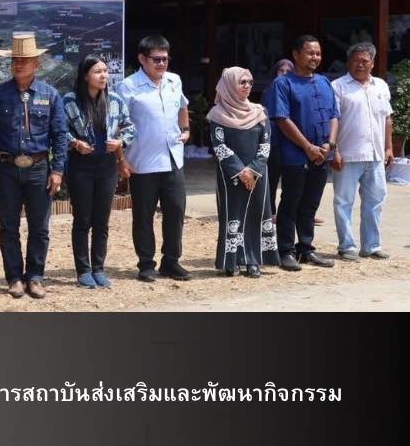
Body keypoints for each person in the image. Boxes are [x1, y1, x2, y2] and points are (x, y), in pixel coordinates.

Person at [0, 32, 67, 299]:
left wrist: (58, 169)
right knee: (9, 226)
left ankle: (36, 277)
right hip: (6, 167)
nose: (18, 64)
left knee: (40, 227)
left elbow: (59, 134)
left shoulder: (50, 95)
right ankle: (15, 277)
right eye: (15, 60)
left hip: (39, 168)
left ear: (37, 64)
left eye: (24, 60)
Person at [117, 35, 192, 282]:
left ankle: (171, 261)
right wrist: (121, 160)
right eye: (156, 59)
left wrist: (186, 129)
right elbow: (117, 123)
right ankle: (146, 264)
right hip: (142, 161)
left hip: (173, 158)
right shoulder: (128, 86)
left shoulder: (174, 80)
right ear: (142, 59)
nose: (162, 64)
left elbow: (182, 105)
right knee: (143, 215)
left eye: (165, 59)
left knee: (176, 211)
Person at [63, 55, 134, 289]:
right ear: (85, 76)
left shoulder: (114, 100)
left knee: (102, 220)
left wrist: (120, 142)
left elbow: (130, 127)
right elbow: (59, 129)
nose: (104, 75)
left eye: (105, 71)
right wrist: (75, 143)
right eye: (97, 71)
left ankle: (99, 268)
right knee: (82, 219)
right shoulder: (70, 100)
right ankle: (83, 270)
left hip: (106, 166)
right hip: (80, 166)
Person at [271, 34, 339, 271]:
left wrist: (330, 144)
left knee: (310, 204)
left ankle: (306, 249)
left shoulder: (324, 81)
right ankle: (285, 251)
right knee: (291, 202)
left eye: (318, 53)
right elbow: (282, 119)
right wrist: (307, 147)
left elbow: (334, 115)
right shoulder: (283, 84)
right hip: (294, 156)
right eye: (310, 53)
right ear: (296, 54)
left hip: (322, 155)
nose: (315, 57)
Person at [207, 67, 280, 277]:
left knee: (257, 213)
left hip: (258, 175)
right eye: (242, 82)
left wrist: (253, 170)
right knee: (233, 214)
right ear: (229, 85)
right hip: (230, 176)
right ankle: (232, 261)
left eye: (249, 82)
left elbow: (265, 144)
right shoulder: (218, 114)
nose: (247, 86)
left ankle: (253, 261)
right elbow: (219, 146)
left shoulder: (259, 112)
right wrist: (241, 171)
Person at [331, 42, 393, 261]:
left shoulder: (381, 86)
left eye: (365, 61)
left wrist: (388, 147)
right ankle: (347, 246)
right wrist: (334, 150)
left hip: (375, 155)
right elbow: (333, 120)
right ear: (349, 62)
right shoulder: (337, 86)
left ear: (373, 63)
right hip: (347, 155)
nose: (360, 64)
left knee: (375, 201)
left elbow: (387, 118)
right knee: (343, 202)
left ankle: (371, 246)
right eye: (356, 60)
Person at [260, 58, 294, 219]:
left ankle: (294, 212)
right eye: (281, 71)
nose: (284, 74)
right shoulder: (270, 89)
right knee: (272, 177)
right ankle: (270, 211)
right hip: (274, 140)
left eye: (288, 71)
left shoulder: (294, 89)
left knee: (293, 179)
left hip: (292, 140)